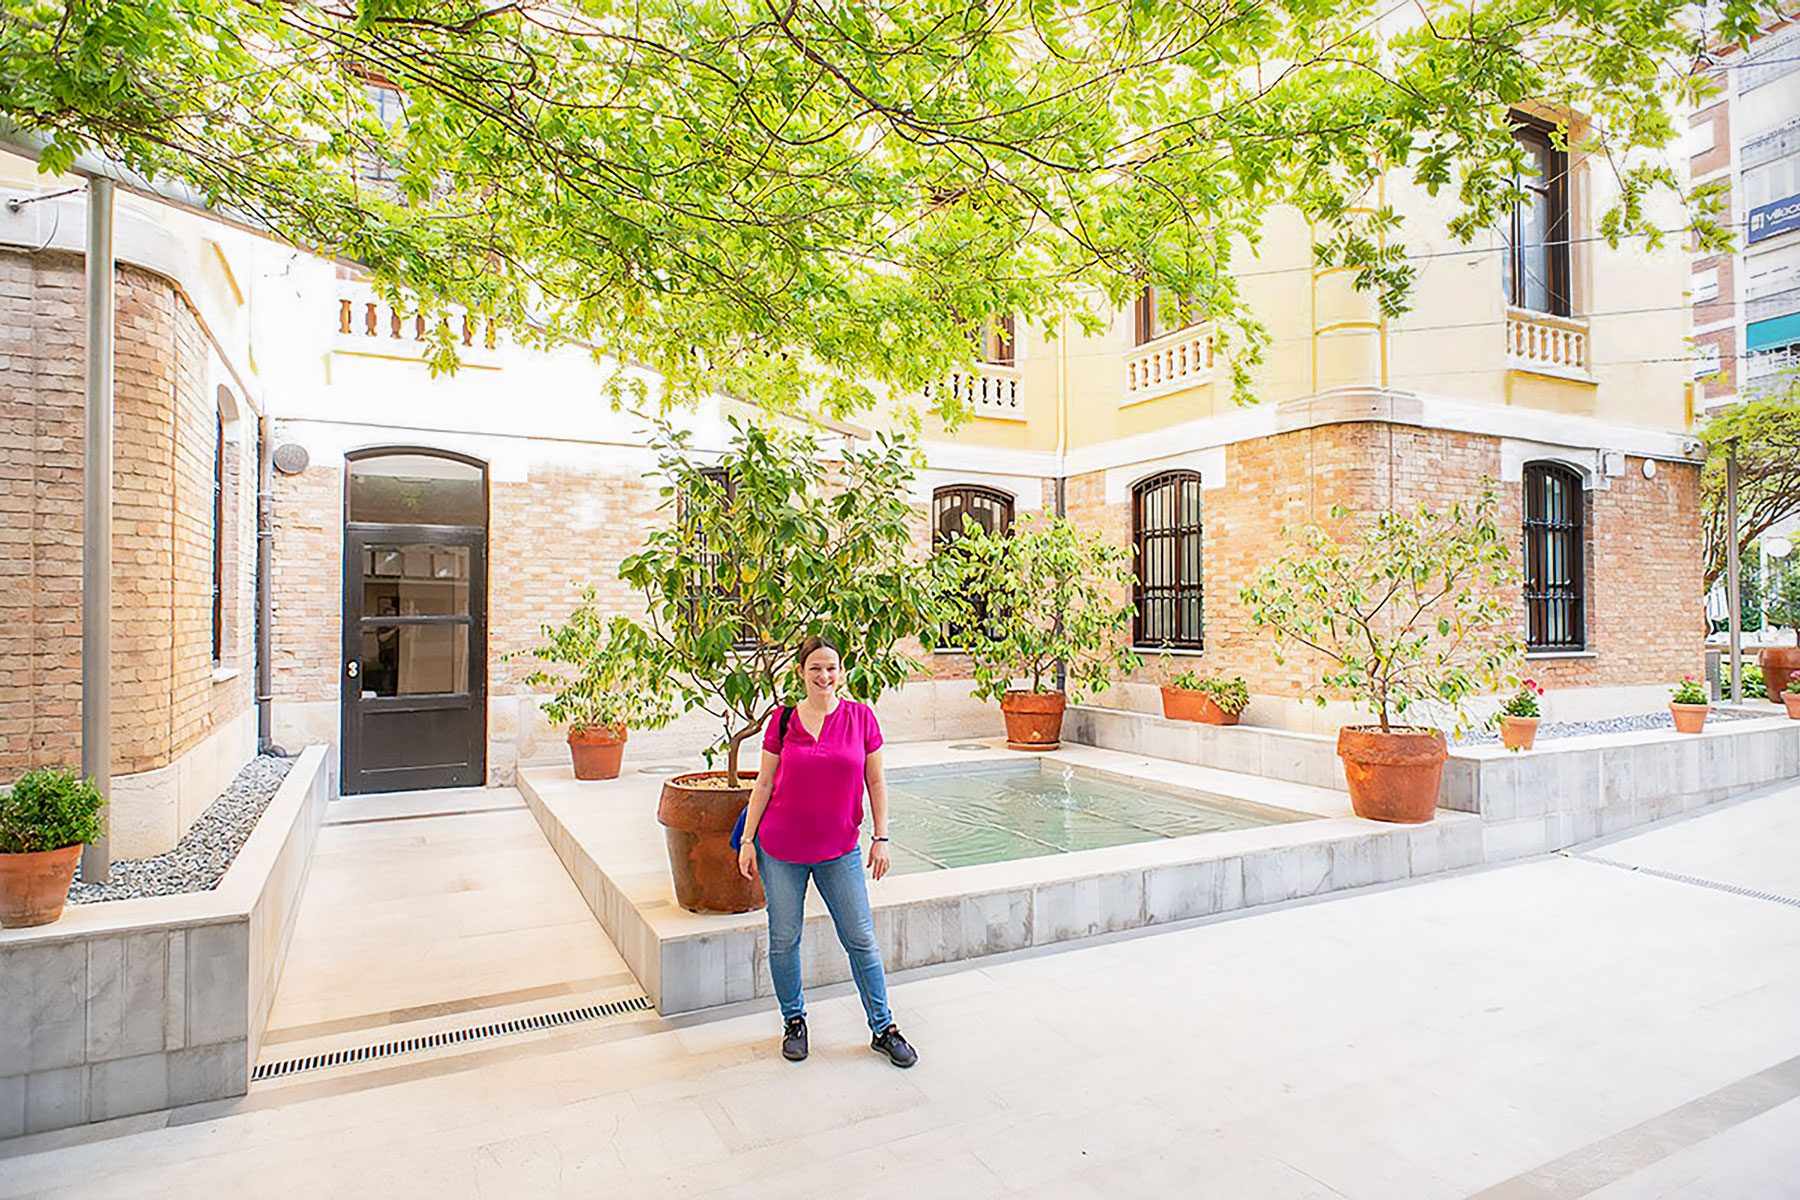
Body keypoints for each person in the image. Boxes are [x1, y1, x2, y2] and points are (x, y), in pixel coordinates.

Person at [736, 635, 918, 1068]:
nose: (824, 675)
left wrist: (881, 836)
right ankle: (794, 1021)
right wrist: (746, 842)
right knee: (784, 939)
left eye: (831, 667)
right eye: (815, 667)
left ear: (842, 671)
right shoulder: (781, 721)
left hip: (840, 849)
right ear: (801, 671)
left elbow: (875, 782)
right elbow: (763, 784)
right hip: (780, 848)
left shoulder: (861, 718)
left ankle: (883, 1028)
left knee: (861, 940)